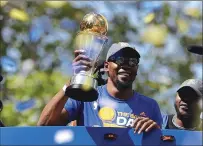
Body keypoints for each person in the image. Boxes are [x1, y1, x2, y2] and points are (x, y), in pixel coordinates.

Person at [38, 42, 163, 134]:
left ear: (137, 68)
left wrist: (156, 133)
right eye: (120, 60)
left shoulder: (150, 106)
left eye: (132, 61)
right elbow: (44, 125)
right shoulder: (85, 96)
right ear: (107, 66)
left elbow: (162, 142)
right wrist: (73, 81)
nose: (126, 65)